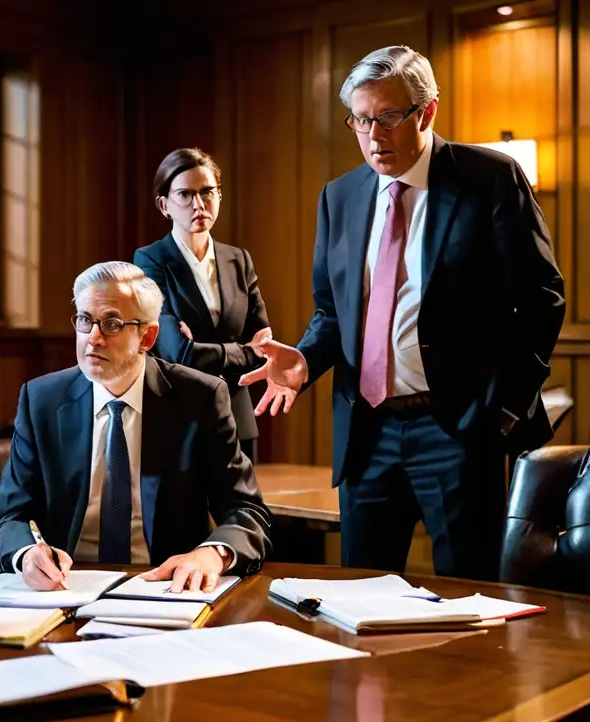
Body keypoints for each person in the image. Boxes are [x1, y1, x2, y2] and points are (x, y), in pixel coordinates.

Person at [240, 46, 565, 580]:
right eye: (361, 120)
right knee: (362, 597)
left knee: (469, 597)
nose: (374, 135)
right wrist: (305, 360)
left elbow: (541, 298)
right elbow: (332, 310)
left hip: (458, 427)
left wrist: (503, 410)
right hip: (367, 431)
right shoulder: (339, 196)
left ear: (427, 112)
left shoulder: (489, 178)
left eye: (388, 118)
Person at [0, 261, 272, 593]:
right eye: (85, 320)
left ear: (147, 336)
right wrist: (27, 555)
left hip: (166, 587)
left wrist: (212, 555)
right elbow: (11, 516)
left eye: (111, 323)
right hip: (65, 590)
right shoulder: (42, 400)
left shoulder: (200, 398)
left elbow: (247, 511)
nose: (93, 339)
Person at [134, 148, 271, 460]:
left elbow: (265, 347)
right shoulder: (150, 260)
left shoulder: (238, 259)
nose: (199, 204)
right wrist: (244, 349)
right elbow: (175, 351)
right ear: (164, 204)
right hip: (182, 420)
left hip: (238, 419)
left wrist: (205, 349)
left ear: (219, 195)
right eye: (185, 194)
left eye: (207, 192)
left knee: (243, 508)